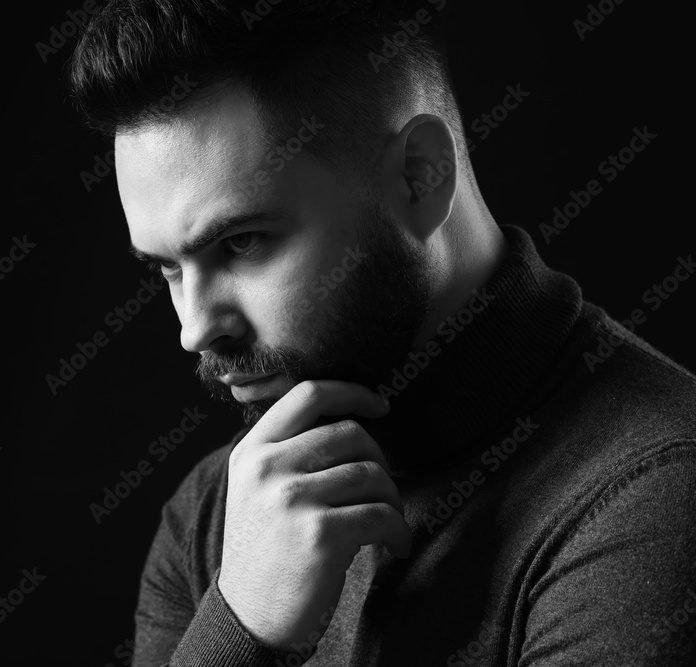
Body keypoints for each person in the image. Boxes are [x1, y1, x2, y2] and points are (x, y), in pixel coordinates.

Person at [68, 1, 696, 664]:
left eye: (241, 242)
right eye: (167, 267)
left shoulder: (657, 501)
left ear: (420, 177)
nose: (195, 328)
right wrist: (237, 628)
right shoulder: (215, 517)